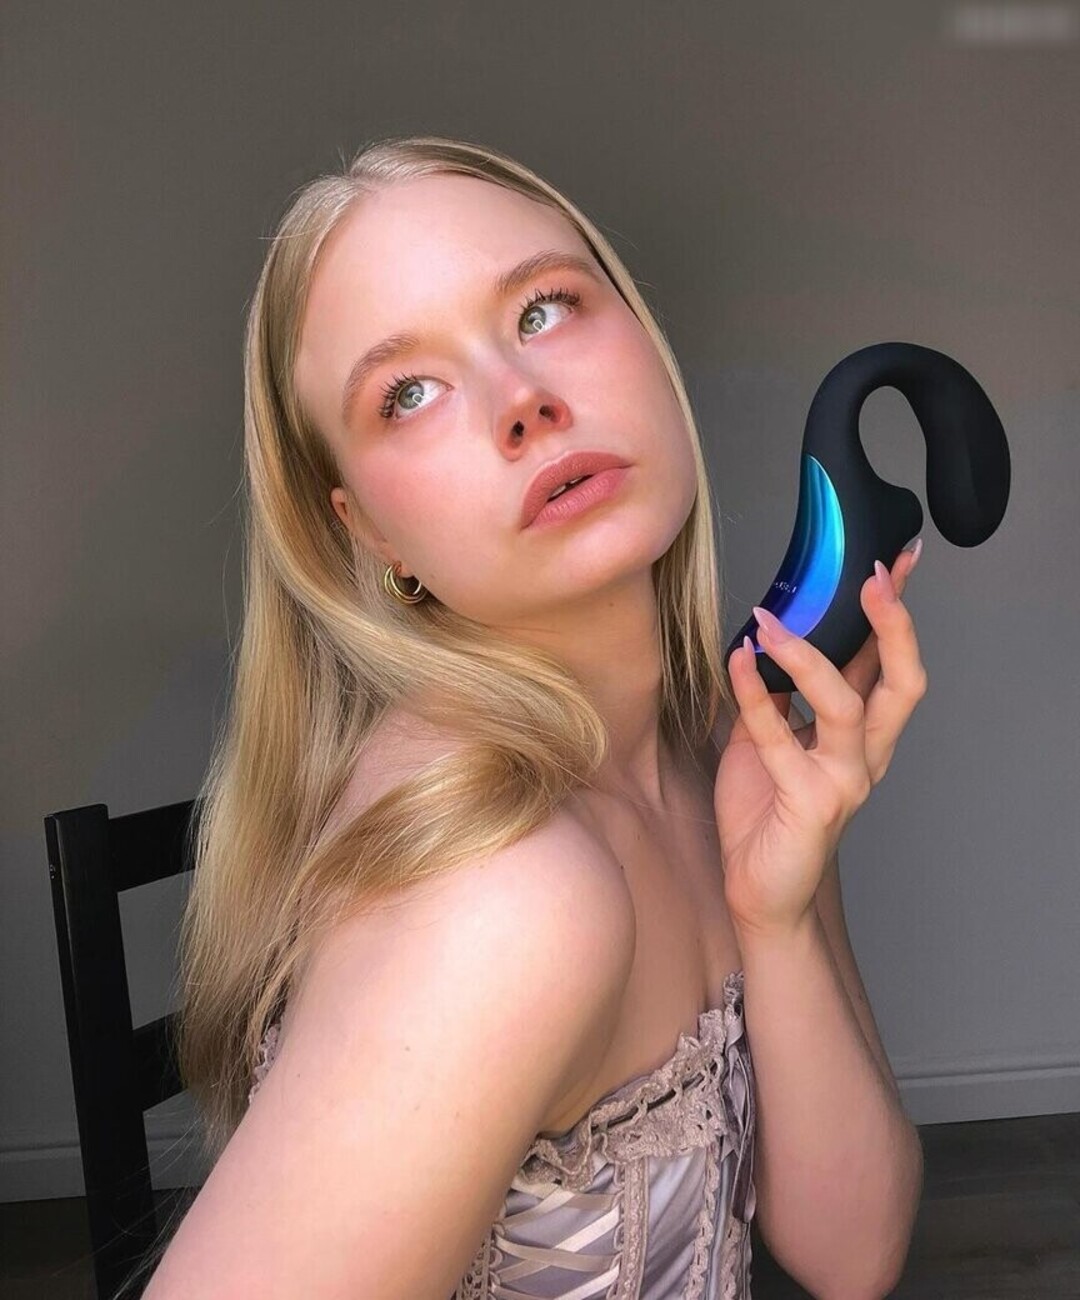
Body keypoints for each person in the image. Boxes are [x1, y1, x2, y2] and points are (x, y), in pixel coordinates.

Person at [143, 135, 926, 1299]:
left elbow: (852, 1254)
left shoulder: (711, 752)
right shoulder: (502, 894)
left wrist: (779, 913)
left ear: (645, 342)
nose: (523, 402)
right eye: (407, 394)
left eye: (543, 309)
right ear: (370, 532)